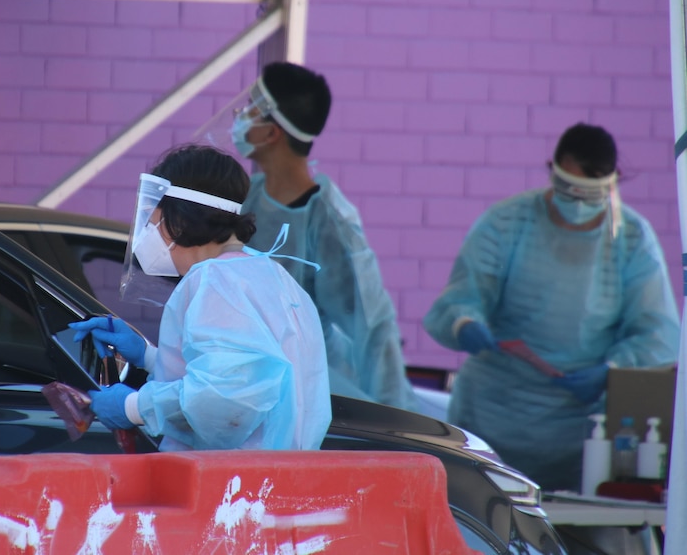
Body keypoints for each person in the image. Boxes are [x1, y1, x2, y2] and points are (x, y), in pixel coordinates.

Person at [423, 122, 680, 492]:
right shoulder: (508, 222)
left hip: (577, 436)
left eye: (588, 195)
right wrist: (464, 322)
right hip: (491, 417)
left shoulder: (631, 239)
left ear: (611, 185)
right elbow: (463, 295)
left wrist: (613, 369)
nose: (575, 204)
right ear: (551, 172)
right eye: (566, 189)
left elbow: (658, 332)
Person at [69, 144, 332, 452]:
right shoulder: (272, 275)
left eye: (154, 224)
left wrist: (133, 407)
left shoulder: (214, 281)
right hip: (273, 480)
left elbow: (224, 398)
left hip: (228, 487)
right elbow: (250, 372)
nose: (147, 237)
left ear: (180, 220)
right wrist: (150, 356)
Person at [228, 61, 418, 411]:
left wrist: (395, 425)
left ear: (272, 133)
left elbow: (373, 328)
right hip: (241, 389)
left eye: (252, 108)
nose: (240, 115)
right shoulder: (246, 198)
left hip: (305, 397)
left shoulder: (329, 221)